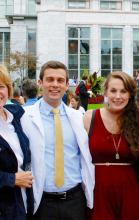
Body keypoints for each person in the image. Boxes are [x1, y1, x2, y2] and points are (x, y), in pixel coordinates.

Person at [24, 60, 95, 220]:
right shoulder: (25, 117)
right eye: (50, 79)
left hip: (75, 201)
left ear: (66, 84)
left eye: (60, 80)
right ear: (40, 82)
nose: (55, 85)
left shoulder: (78, 117)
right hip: (41, 202)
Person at [84, 71, 139, 220]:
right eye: (113, 91)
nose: (118, 96)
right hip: (98, 191)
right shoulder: (89, 117)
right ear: (105, 92)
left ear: (130, 94)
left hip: (130, 191)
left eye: (123, 91)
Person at [0, 65, 34, 219]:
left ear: (8, 89)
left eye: (0, 86)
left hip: (22, 205)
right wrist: (12, 179)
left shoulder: (15, 119)